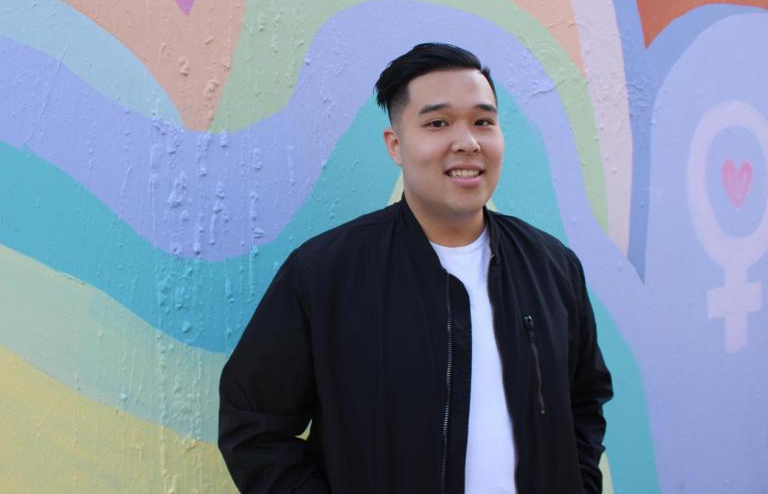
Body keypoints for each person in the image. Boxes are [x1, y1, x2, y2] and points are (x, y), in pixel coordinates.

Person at [218, 43, 613, 493]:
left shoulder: (551, 267)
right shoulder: (326, 274)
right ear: (396, 145)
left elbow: (584, 402)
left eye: (483, 122)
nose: (467, 142)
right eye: (438, 123)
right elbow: (252, 428)